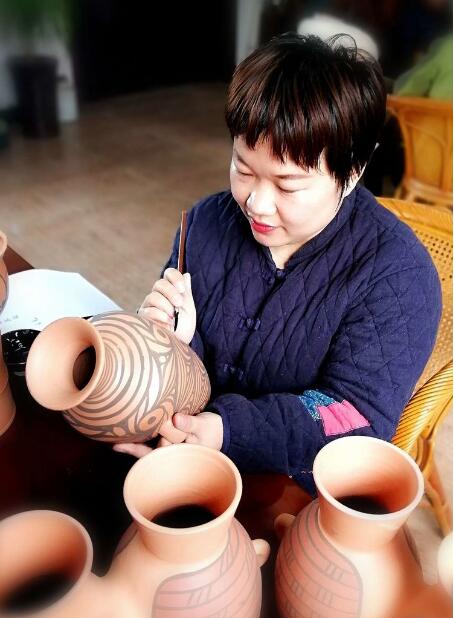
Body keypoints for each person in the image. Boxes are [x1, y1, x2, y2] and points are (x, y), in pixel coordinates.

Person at [114, 34, 441, 496]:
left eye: (288, 186)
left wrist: (225, 430)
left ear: (353, 171)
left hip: (294, 491)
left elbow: (352, 417)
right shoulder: (206, 224)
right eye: (243, 168)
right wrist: (176, 342)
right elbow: (182, 362)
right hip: (183, 455)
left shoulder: (397, 275)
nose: (256, 203)